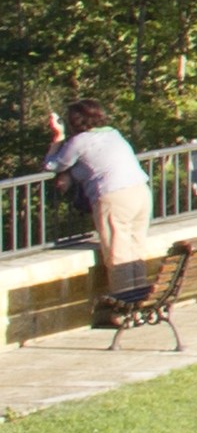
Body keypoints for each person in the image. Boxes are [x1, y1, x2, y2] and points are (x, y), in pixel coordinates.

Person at [39, 100, 149, 324]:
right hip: (140, 192)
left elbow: (53, 165)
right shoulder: (112, 134)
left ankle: (125, 311)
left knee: (118, 254)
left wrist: (57, 138)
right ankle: (141, 305)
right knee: (135, 251)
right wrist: (71, 175)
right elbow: (90, 164)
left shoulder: (79, 141)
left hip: (114, 196)